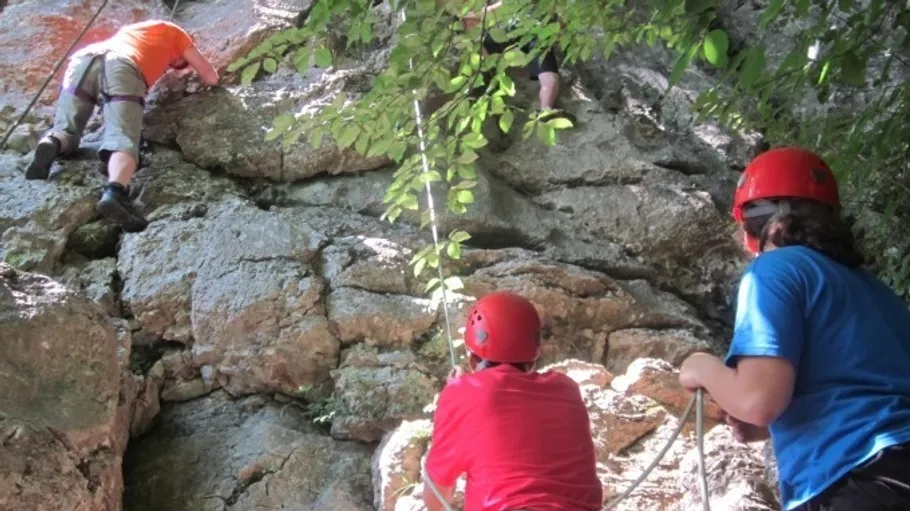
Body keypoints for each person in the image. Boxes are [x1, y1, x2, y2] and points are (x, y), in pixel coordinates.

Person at [677, 147, 910, 511]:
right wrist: (766, 429)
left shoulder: (774, 270)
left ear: (762, 226)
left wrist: (701, 367)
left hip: (857, 478)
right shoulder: (877, 291)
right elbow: (866, 389)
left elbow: (758, 401)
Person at [26, 20, 220, 233]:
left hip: (83, 59)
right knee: (123, 138)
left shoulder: (133, 30)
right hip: (121, 65)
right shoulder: (177, 33)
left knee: (67, 128)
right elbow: (210, 77)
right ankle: (115, 192)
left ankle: (52, 142)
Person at [422, 291, 603, 511]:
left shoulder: (462, 393)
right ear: (534, 354)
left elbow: (437, 494)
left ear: (472, 357)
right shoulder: (568, 389)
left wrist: (456, 395)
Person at [462, 2, 575, 124]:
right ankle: (546, 109)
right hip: (517, 32)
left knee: (550, 78)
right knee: (550, 78)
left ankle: (546, 110)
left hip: (531, 34)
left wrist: (479, 15)